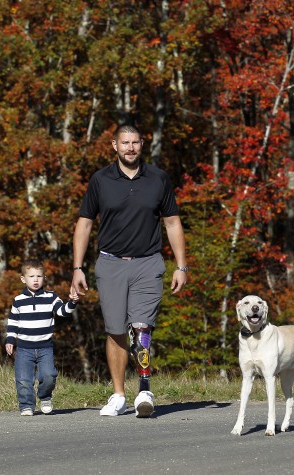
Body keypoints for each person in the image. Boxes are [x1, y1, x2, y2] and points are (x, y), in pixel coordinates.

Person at [71, 124, 187, 418]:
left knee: (142, 327)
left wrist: (181, 266)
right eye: (125, 143)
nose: (131, 148)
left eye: (135, 142)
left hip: (148, 262)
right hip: (110, 263)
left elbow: (172, 223)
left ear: (142, 144)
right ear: (115, 145)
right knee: (116, 331)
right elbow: (84, 224)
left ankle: (145, 388)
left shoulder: (158, 178)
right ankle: (119, 395)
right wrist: (77, 268)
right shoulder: (101, 180)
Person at [5, 258, 79, 416]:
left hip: (45, 347)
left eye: (39, 276)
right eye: (31, 277)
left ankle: (45, 397)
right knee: (24, 379)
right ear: (23, 279)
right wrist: (10, 340)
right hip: (24, 348)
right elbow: (13, 323)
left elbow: (62, 311)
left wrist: (72, 302)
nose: (36, 280)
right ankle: (26, 405)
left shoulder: (51, 297)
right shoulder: (18, 301)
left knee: (49, 375)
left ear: (44, 278)